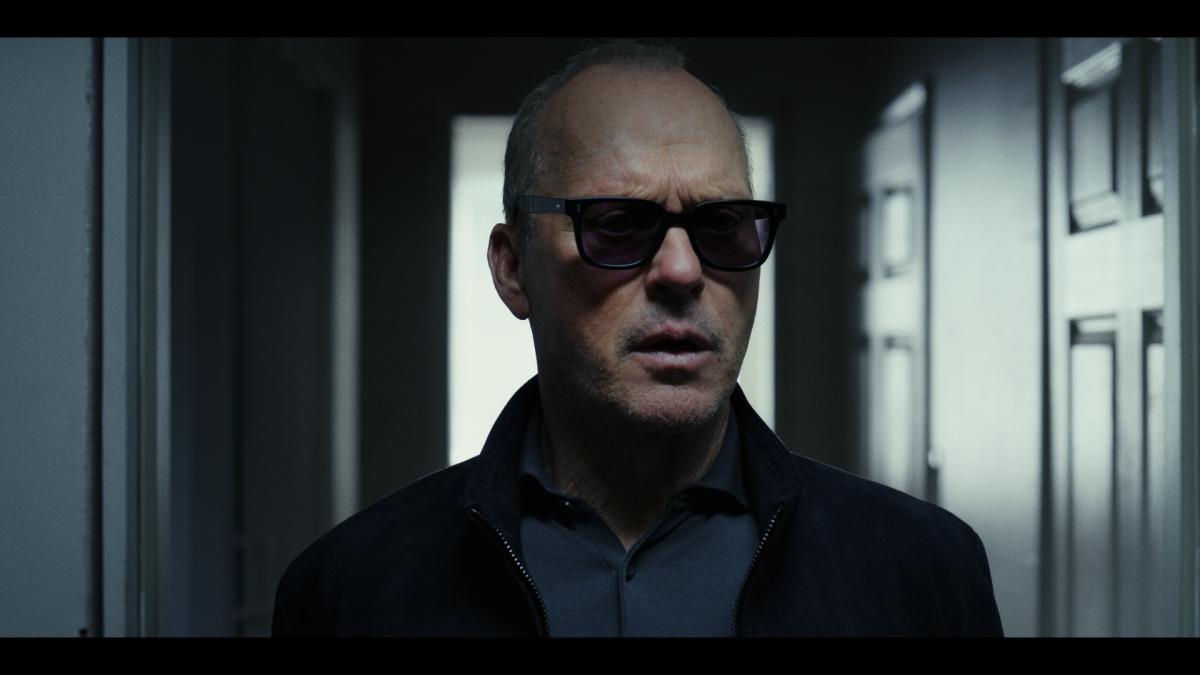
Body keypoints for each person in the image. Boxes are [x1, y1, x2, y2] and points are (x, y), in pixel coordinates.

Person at [271, 41, 1004, 637]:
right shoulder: (348, 592)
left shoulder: (923, 573)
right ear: (513, 267)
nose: (682, 270)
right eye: (618, 224)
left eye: (722, 225)